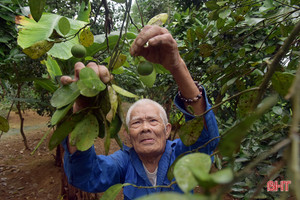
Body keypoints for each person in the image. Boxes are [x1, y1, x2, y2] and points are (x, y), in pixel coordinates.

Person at [61, 25, 219, 199]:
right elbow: (86, 175)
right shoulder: (124, 162)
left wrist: (177, 66)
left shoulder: (180, 154)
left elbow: (206, 139)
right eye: (136, 123)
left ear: (167, 130)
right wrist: (82, 110)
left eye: (152, 121)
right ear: (129, 135)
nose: (145, 128)